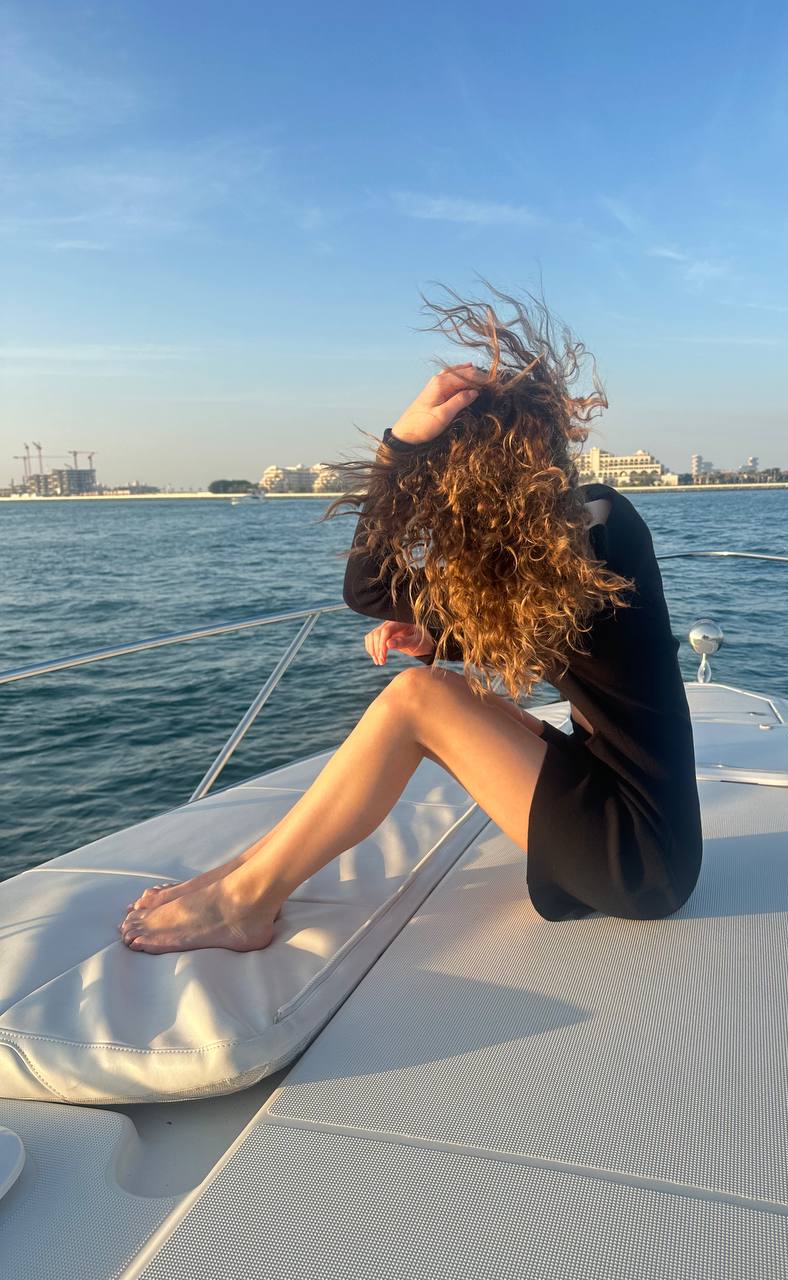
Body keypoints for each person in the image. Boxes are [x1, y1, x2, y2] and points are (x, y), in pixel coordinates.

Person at [117, 286, 702, 953]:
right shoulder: (597, 520)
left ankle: (243, 904)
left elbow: (367, 590)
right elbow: (570, 638)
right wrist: (439, 636)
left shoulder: (584, 546)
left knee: (415, 699)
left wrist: (399, 449)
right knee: (438, 688)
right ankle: (240, 874)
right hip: (619, 795)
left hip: (640, 852)